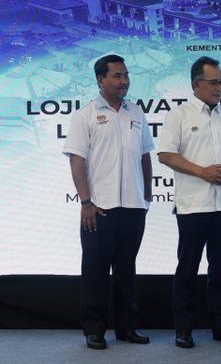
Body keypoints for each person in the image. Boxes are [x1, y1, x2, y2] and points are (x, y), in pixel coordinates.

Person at [157, 56, 221, 348]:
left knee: (220, 269)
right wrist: (202, 172)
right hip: (193, 205)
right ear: (197, 84)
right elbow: (165, 155)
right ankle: (183, 329)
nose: (219, 88)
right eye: (214, 82)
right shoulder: (179, 115)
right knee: (188, 269)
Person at [64, 54, 154, 350]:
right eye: (117, 76)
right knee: (95, 270)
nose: (124, 81)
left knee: (126, 269)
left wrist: (146, 194)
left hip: (133, 206)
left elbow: (145, 155)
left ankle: (127, 327)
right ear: (100, 80)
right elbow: (77, 160)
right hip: (99, 207)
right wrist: (85, 201)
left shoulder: (136, 112)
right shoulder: (85, 115)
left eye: (126, 75)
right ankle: (94, 329)